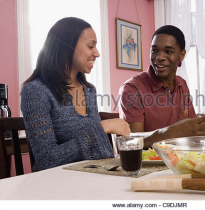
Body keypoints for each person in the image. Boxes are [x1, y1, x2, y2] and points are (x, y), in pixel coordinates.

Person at [21, 17, 130, 172]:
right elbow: (46, 160)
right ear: (67, 46)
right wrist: (102, 128)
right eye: (90, 46)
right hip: (62, 186)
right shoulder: (35, 91)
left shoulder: (89, 90)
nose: (97, 53)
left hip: (98, 179)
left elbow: (102, 154)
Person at [119, 25, 205, 148]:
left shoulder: (182, 84)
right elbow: (131, 142)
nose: (160, 57)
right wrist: (171, 132)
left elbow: (193, 133)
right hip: (148, 166)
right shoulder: (131, 89)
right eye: (154, 50)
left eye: (168, 51)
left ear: (182, 55)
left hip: (179, 161)